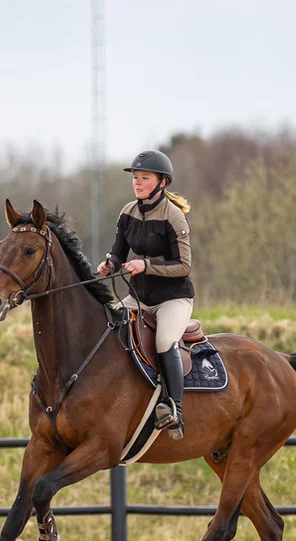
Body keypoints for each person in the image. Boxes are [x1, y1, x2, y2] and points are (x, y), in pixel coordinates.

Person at [97, 150, 193, 441]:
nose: (137, 183)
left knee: (165, 341)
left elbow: (184, 266)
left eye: (144, 178)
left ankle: (174, 408)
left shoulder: (173, 217)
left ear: (162, 182)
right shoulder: (127, 212)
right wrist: (110, 264)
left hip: (172, 300)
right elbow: (118, 251)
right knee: (108, 328)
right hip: (138, 298)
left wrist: (146, 265)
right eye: (136, 178)